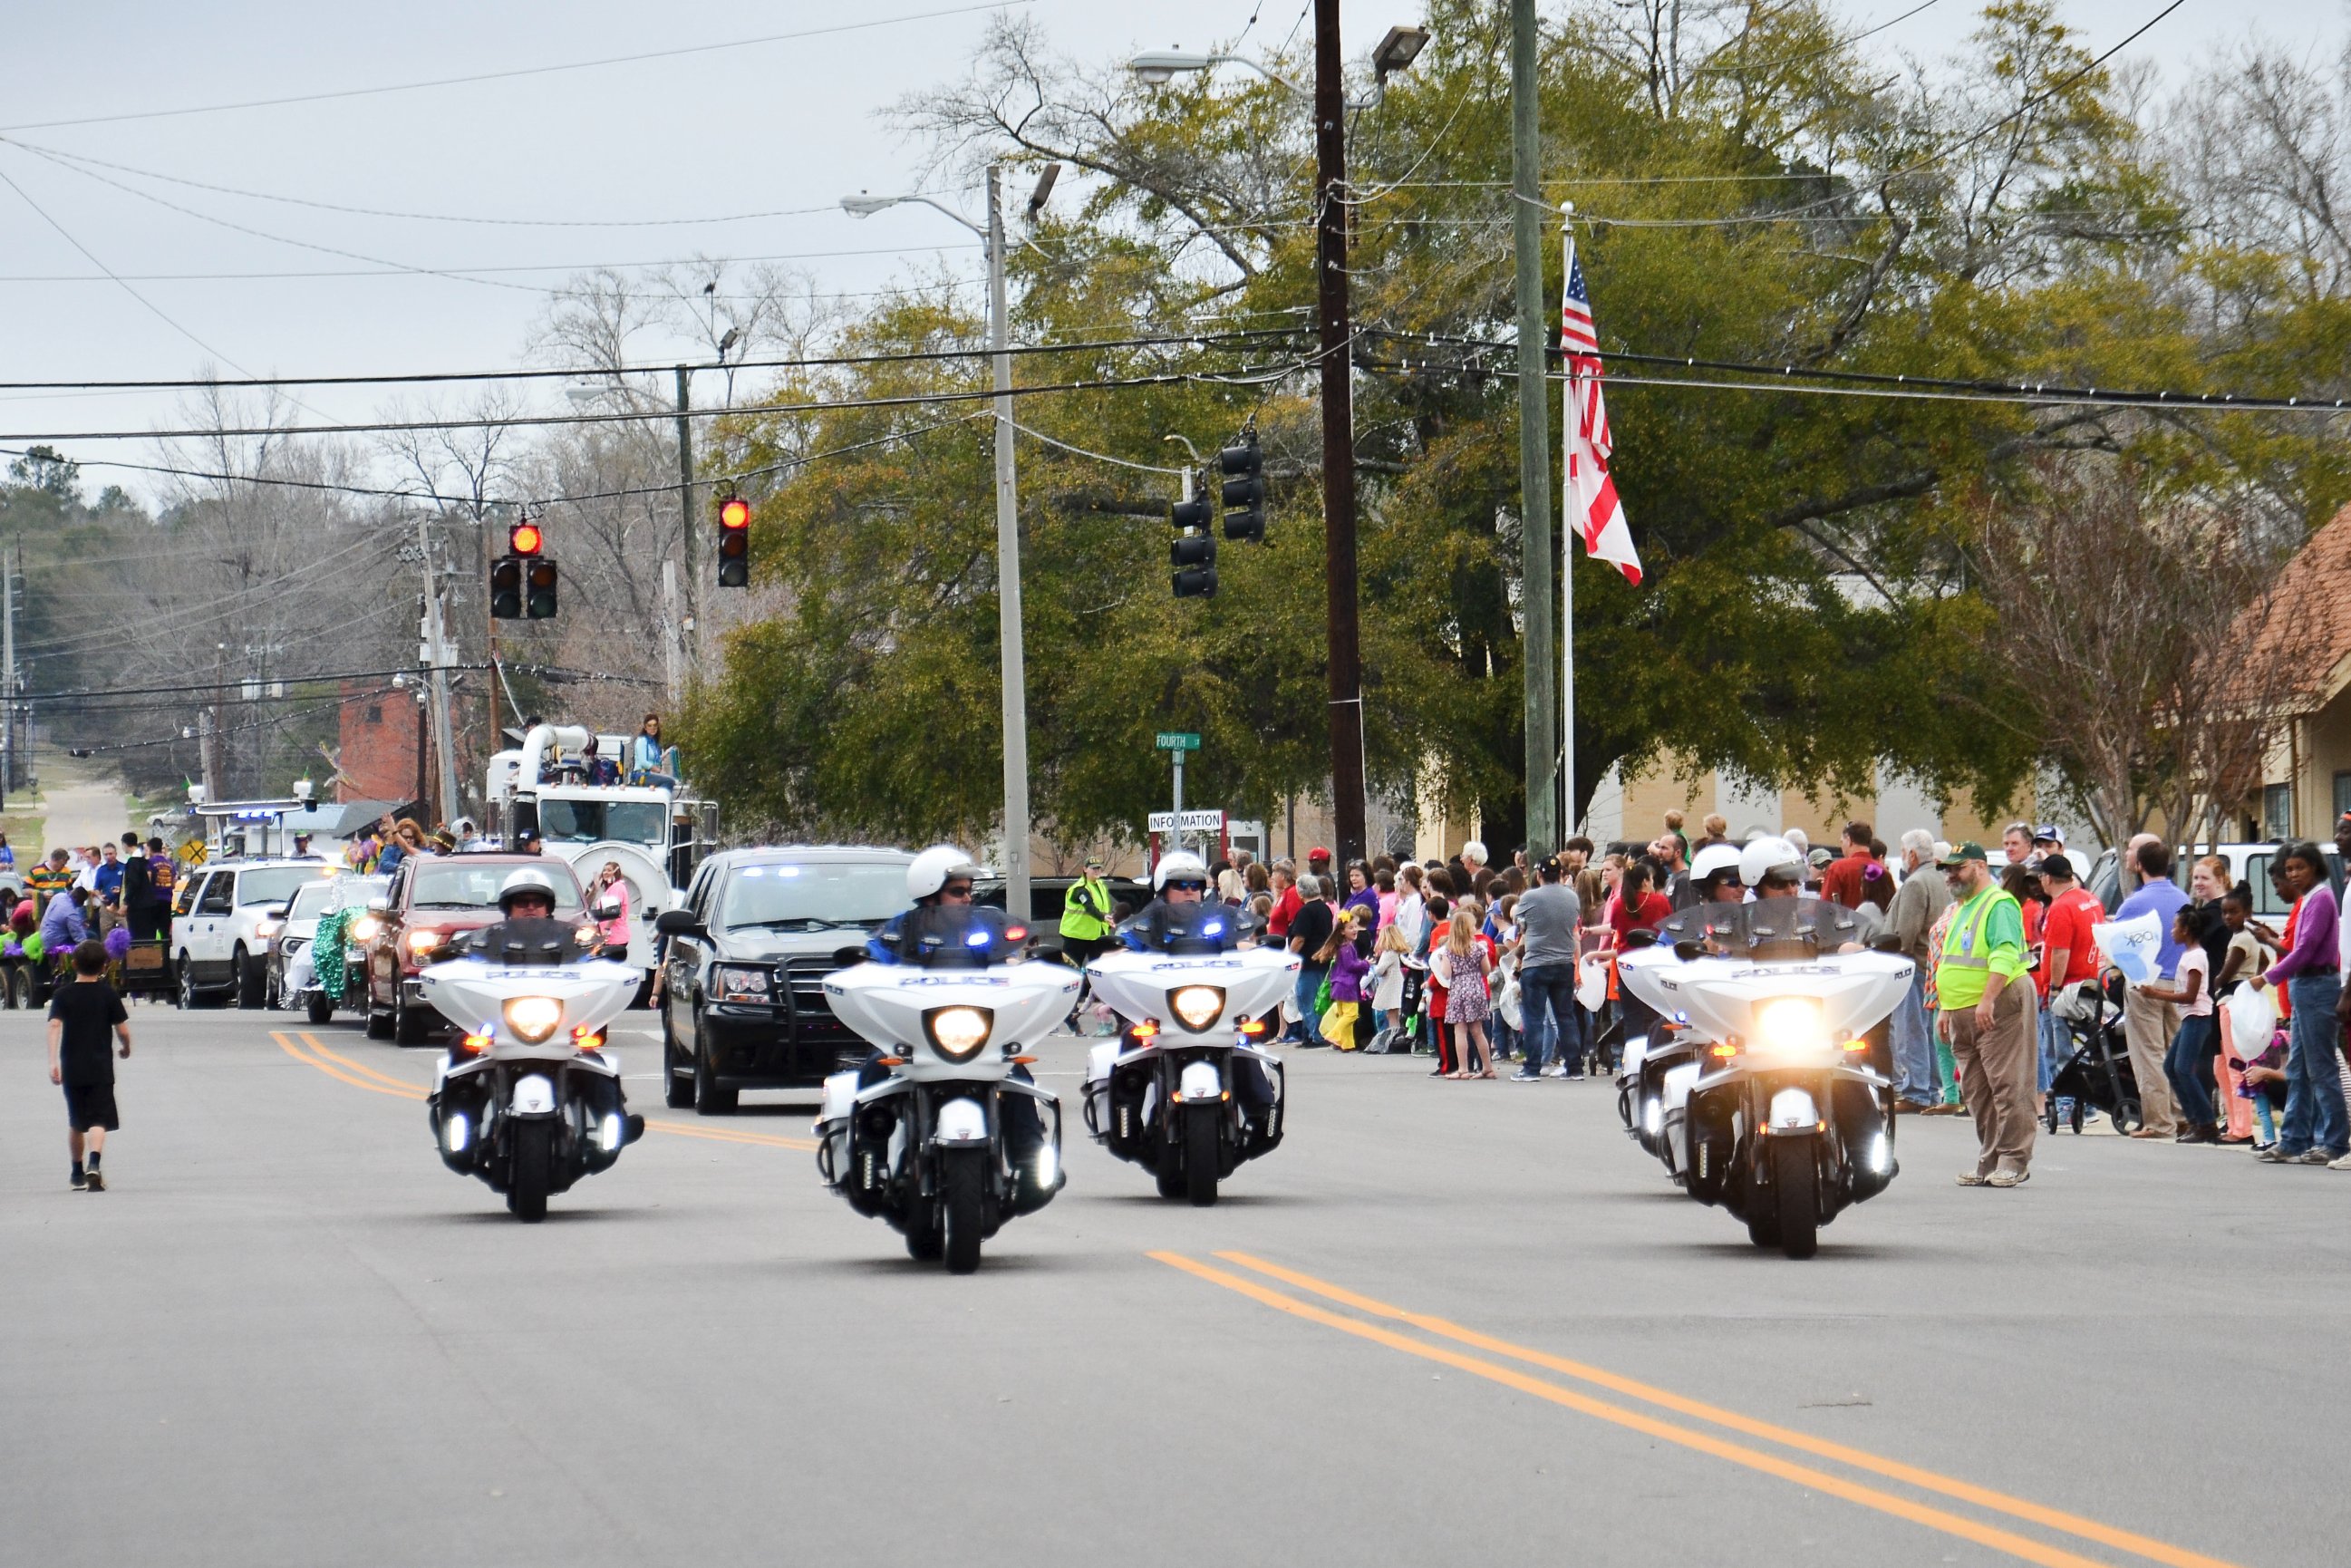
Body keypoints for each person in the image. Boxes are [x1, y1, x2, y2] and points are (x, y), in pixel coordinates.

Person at [1934, 842, 2037, 1187]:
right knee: (1977, 1091)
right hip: (1964, 1010)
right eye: (1948, 869)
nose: (1951, 875)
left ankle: (2013, 1159)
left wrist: (1987, 1000)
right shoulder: (1964, 906)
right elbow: (1951, 959)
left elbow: (2005, 955)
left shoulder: (1999, 903)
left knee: (2008, 1086)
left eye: (1958, 868)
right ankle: (1990, 1158)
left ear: (1979, 866)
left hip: (1997, 1007)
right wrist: (1946, 1007)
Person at [2244, 840, 2348, 1166]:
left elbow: (2304, 949)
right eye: (2289, 870)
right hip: (2304, 985)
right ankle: (2293, 1138)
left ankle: (2335, 1141)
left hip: (2318, 985)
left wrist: (2269, 977)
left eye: (2299, 868)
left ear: (2315, 867)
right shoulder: (2306, 900)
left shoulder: (2320, 899)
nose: (2294, 875)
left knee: (2322, 1069)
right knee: (2299, 1069)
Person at [2114, 839, 2190, 1139]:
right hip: (2179, 982)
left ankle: (2159, 1121)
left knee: (2149, 1054)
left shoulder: (2135, 903)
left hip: (2146, 982)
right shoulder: (2182, 898)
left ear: (2140, 865)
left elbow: (2116, 942)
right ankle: (2182, 1113)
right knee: (2175, 1051)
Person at [48, 938, 130, 1192]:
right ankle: (93, 1163)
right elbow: (122, 1029)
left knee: (76, 1120)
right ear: (104, 966)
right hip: (100, 1067)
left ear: (73, 964)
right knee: (98, 1119)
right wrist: (126, 1047)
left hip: (72, 1067)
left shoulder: (62, 995)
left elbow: (54, 1025)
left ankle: (76, 1172)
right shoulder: (108, 994)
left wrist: (53, 1061)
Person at [2141, 905, 2220, 1144]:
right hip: (2190, 1017)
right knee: (2171, 1067)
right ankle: (2194, 1119)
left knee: (2184, 1069)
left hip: (2198, 1017)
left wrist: (2155, 994)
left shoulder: (2196, 957)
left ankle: (2205, 1122)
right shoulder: (2188, 955)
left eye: (2176, 926)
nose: (2173, 931)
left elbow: (2191, 995)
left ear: (2186, 930)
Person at [2036, 853, 2104, 1122]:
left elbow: (2061, 953)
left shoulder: (2061, 907)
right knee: (2082, 1048)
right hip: (2090, 984)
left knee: (2061, 1051)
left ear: (2048, 878)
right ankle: (2086, 1105)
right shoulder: (2090, 899)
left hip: (2068, 988)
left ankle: (2068, 1106)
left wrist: (2054, 987)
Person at [1511, 857, 1582, 1081]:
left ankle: (1532, 1068)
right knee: (1565, 1016)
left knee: (1534, 1017)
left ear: (1539, 875)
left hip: (1537, 962)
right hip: (1564, 961)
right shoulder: (1572, 897)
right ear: (1561, 874)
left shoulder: (1530, 897)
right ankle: (1574, 1067)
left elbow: (1520, 924)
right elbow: (1573, 923)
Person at [1287, 875, 1336, 1045]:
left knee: (1307, 999)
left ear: (1301, 893)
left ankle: (1317, 1035)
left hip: (1308, 961)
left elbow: (1300, 938)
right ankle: (1309, 1034)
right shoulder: (1324, 909)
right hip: (1322, 958)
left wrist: (1288, 957)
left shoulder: (1306, 911)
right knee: (1319, 998)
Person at [1319, 909, 1370, 1050]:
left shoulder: (1343, 946)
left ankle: (1347, 1044)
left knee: (1343, 1014)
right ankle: (1334, 1034)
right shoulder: (1347, 947)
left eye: (1355, 927)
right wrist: (1365, 963)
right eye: (1350, 928)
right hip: (1347, 985)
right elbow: (1350, 965)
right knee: (1351, 1015)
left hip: (1339, 985)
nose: (1355, 930)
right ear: (1342, 931)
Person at [1058, 857, 1117, 969]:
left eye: (1099, 868)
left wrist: (1107, 921)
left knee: (1099, 970)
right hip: (1076, 937)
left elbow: (1102, 908)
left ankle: (1092, 986)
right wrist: (1103, 917)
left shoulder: (1100, 886)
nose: (1097, 871)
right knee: (1071, 970)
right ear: (1085, 869)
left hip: (1095, 936)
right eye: (1093, 868)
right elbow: (1089, 907)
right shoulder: (1080, 889)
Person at [1818, 820, 1875, 910]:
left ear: (1849, 840)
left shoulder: (1838, 869)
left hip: (1847, 922)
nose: (1841, 846)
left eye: (1842, 842)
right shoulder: (1883, 871)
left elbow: (1825, 909)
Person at [589, 861, 632, 954]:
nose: (606, 872)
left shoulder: (617, 887)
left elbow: (613, 912)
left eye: (609, 870)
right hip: (611, 936)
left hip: (615, 936)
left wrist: (606, 929)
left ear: (616, 872)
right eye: (604, 870)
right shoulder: (611, 888)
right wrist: (595, 888)